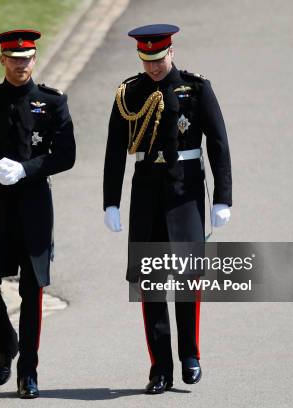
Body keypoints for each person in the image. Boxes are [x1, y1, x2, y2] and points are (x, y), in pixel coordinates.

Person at [102, 24, 232, 394]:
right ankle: (160, 367)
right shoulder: (129, 93)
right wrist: (111, 200)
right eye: (147, 60)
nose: (154, 67)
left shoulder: (196, 88)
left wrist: (223, 197)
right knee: (152, 286)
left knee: (188, 279)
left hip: (186, 192)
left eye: (159, 59)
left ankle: (190, 355)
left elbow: (218, 144)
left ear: (171, 52)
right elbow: (115, 150)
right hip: (146, 194)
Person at [0, 29, 76, 399]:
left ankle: (28, 373)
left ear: (34, 59)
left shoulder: (51, 102)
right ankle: (6, 343)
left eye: (26, 58)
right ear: (2, 59)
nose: (20, 64)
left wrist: (28, 169)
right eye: (14, 58)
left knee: (32, 288)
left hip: (35, 203)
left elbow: (65, 155)